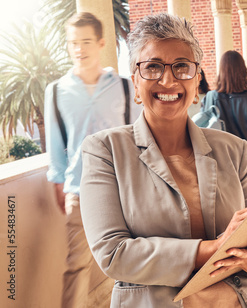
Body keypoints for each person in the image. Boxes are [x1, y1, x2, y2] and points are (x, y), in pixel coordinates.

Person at [79, 13, 247, 308]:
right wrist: (216, 248)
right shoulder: (105, 151)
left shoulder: (233, 149)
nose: (168, 79)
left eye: (181, 67)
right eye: (152, 67)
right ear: (135, 82)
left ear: (197, 79)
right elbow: (113, 254)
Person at [44, 12, 141, 307]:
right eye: (73, 42)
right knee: (76, 267)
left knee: (129, 267)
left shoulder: (125, 87)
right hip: (79, 192)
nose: (79, 49)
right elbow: (55, 144)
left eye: (86, 41)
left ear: (101, 43)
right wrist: (60, 184)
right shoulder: (57, 91)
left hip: (122, 192)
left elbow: (139, 140)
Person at [202, 50, 247, 186]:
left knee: (230, 204)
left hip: (221, 158)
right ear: (243, 69)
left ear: (221, 71)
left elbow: (203, 130)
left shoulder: (210, 97)